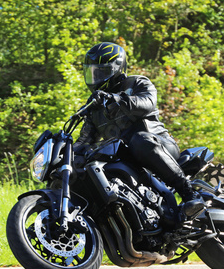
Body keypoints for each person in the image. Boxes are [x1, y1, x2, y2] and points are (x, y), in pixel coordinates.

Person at [74, 42, 205, 223]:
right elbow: (83, 142)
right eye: (92, 73)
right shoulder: (95, 110)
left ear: (117, 68)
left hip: (158, 145)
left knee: (140, 139)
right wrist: (65, 153)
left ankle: (190, 194)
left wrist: (118, 99)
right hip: (130, 162)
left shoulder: (136, 83)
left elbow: (148, 101)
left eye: (101, 72)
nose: (95, 78)